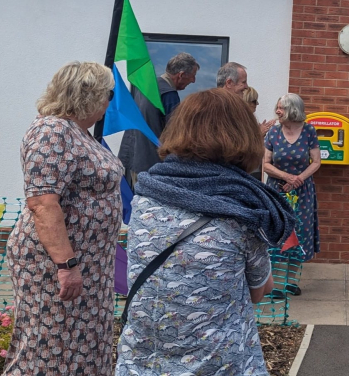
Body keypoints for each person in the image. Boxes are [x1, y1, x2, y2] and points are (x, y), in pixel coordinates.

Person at [116, 89, 296, 376]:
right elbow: (260, 291)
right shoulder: (242, 211)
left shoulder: (145, 196)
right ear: (244, 135)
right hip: (218, 364)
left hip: (142, 364)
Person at [6, 61, 122, 375]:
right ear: (90, 95)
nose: (111, 101)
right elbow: (43, 203)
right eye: (109, 93)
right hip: (55, 266)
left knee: (82, 345)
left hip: (87, 265)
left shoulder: (77, 132)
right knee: (49, 345)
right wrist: (66, 264)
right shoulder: (51, 129)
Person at [263, 93, 321, 295]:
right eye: (277, 107)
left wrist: (298, 179)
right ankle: (275, 285)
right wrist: (287, 177)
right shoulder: (273, 133)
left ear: (293, 109)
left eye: (281, 107)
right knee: (278, 234)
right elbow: (266, 164)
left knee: (301, 233)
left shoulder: (309, 131)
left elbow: (316, 162)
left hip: (302, 191)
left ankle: (291, 282)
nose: (277, 111)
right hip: (276, 191)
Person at [118, 52, 199, 182]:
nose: (194, 81)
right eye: (193, 76)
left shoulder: (146, 87)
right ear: (181, 75)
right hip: (152, 165)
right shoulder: (169, 94)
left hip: (132, 159)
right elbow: (175, 135)